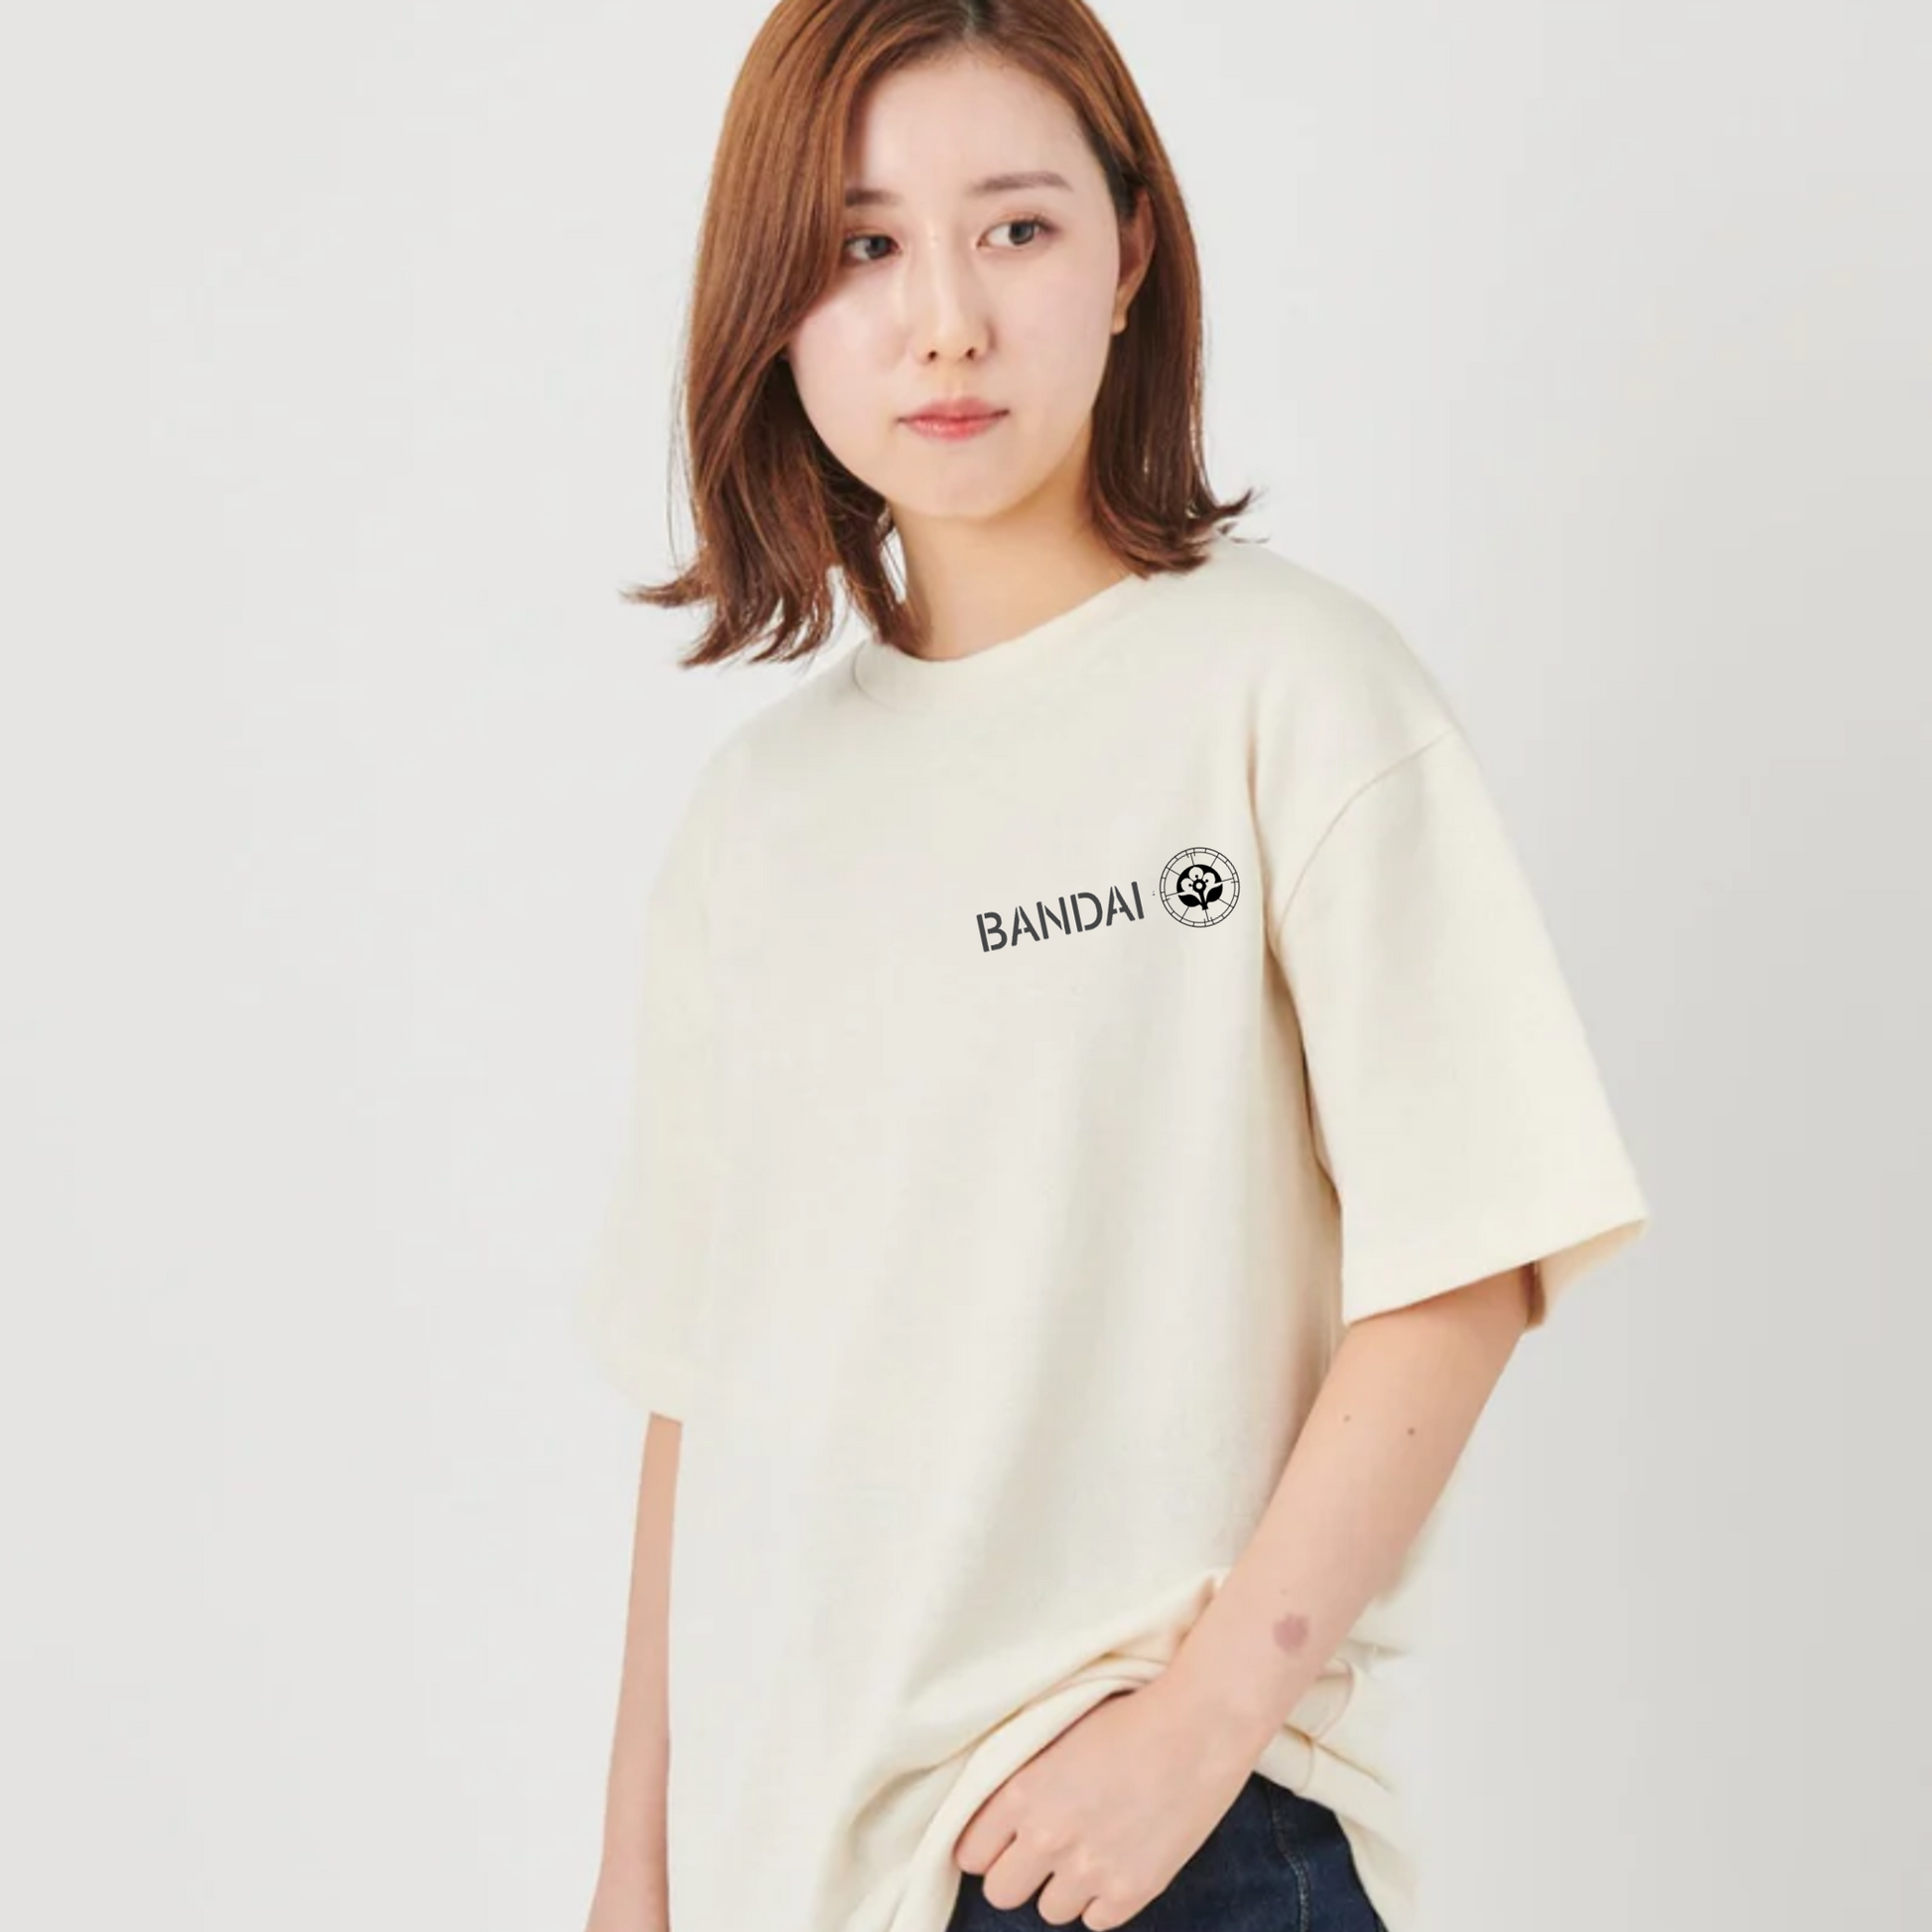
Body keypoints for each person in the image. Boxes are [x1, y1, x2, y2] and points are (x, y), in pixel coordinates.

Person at [573, 3, 1650, 1930]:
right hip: (792, 1873)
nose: (946, 323)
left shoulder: (1288, 689)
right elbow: (694, 1397)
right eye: (860, 244)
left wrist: (1200, 1726)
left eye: (1016, 227)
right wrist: (632, 1879)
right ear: (770, 299)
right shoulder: (758, 816)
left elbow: (1467, 1257)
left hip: (1141, 1849)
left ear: (1129, 252)